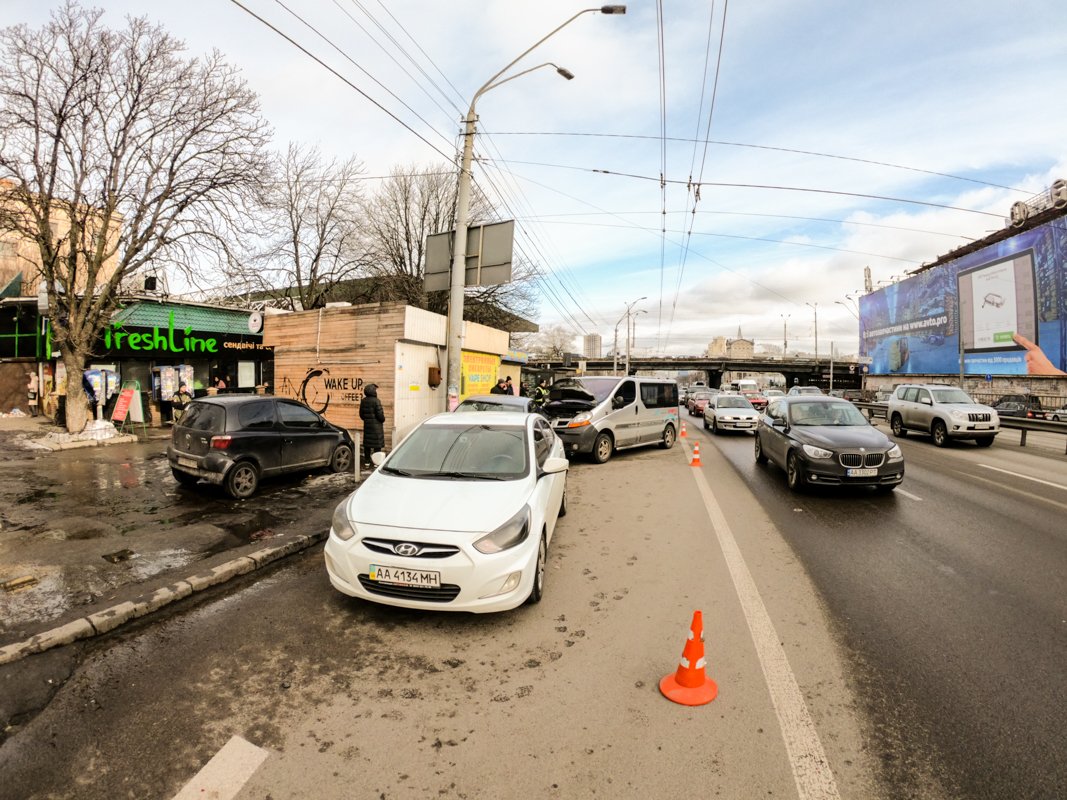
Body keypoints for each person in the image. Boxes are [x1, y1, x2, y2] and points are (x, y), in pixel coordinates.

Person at [359, 383, 386, 470]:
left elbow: (361, 414)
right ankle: (376, 463)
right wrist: (382, 419)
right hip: (376, 427)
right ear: (373, 391)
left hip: (367, 426)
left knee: (367, 445)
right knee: (376, 445)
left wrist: (367, 420)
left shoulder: (363, 401)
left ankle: (367, 462)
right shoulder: (376, 401)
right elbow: (380, 415)